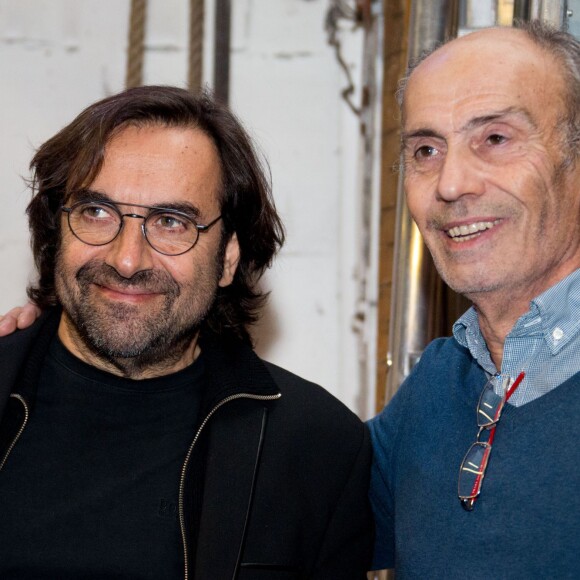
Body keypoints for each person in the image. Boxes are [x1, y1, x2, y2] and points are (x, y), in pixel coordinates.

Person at [0, 86, 373, 578]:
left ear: (228, 258)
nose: (127, 259)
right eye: (96, 212)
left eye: (172, 222)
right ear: (56, 230)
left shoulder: (317, 448)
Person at [368, 20, 580, 578]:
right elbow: (284, 512)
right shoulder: (440, 382)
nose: (452, 182)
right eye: (427, 149)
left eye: (495, 139)